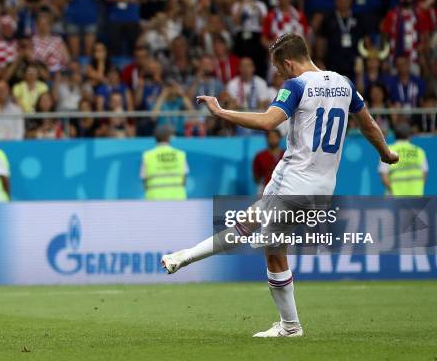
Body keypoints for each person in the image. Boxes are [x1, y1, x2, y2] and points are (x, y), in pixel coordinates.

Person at [161, 33, 399, 337]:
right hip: (321, 188)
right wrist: (386, 153)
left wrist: (220, 112)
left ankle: (288, 325)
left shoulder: (296, 86)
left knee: (256, 238)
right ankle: (183, 258)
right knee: (260, 236)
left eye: (279, 68)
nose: (278, 74)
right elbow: (367, 123)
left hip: (294, 181)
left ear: (288, 62)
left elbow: (266, 122)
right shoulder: (344, 83)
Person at [140, 125, 188, 200]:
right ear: (170, 137)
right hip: (177, 200)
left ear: (155, 138)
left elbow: (144, 180)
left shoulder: (148, 156)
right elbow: (184, 180)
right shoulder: (180, 155)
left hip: (154, 199)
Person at [379, 124, 427, 196]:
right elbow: (424, 175)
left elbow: (384, 176)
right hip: (416, 196)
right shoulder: (419, 151)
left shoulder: (388, 151)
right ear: (410, 136)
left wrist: (394, 192)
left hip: (395, 197)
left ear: (395, 135)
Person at [252, 130, 284, 196]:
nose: (273, 139)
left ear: (280, 138)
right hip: (265, 191)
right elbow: (256, 178)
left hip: (284, 190)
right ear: (267, 139)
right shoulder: (260, 156)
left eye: (275, 137)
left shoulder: (286, 155)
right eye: (270, 137)